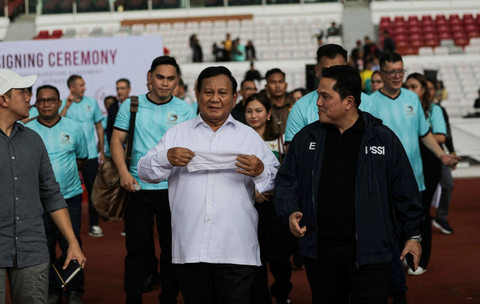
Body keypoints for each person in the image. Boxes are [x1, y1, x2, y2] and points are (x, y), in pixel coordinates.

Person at [274, 65, 423, 304]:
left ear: (349, 101)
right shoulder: (306, 138)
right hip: (319, 254)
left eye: (325, 96)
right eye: (318, 95)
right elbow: (286, 181)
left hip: (373, 254)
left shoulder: (383, 139)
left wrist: (413, 236)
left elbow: (405, 192)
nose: (318, 103)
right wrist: (289, 211)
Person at [137, 66, 279, 304]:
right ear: (197, 93)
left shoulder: (249, 136)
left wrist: (261, 171)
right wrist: (165, 158)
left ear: (234, 98)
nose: (215, 99)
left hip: (236, 248)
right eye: (208, 92)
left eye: (222, 93)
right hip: (190, 247)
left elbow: (275, 181)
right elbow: (144, 172)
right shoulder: (177, 134)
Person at [370, 53, 460, 303]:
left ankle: (399, 283)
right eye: (392, 72)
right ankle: (395, 288)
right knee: (387, 236)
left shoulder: (412, 98)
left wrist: (442, 156)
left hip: (415, 181)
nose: (398, 76)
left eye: (401, 71)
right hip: (384, 184)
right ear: (381, 74)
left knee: (412, 231)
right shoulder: (369, 103)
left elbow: (424, 133)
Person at [111, 56, 195, 304]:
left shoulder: (185, 110)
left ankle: (168, 298)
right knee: (136, 250)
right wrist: (124, 174)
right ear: (149, 77)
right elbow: (116, 141)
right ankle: (133, 300)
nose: (165, 83)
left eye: (171, 78)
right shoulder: (131, 104)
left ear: (177, 81)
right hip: (137, 188)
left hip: (174, 189)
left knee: (172, 251)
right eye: (160, 77)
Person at [0, 69, 86, 304]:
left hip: (32, 249)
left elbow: (51, 193)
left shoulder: (33, 139)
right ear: (3, 99)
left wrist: (73, 243)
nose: (30, 97)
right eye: (23, 92)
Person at [26, 85, 89, 304]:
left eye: (51, 100)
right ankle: (53, 288)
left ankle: (74, 289)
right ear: (35, 104)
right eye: (41, 100)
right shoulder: (27, 130)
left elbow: (81, 158)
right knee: (45, 246)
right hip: (38, 201)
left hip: (69, 197)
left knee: (71, 242)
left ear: (59, 103)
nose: (46, 104)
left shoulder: (74, 127)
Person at [245, 93, 293, 304]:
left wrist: (274, 189)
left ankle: (282, 293)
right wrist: (252, 190)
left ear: (268, 114)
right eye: (249, 111)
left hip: (276, 206)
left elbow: (289, 173)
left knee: (280, 258)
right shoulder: (240, 139)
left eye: (258, 111)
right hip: (249, 206)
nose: (253, 116)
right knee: (256, 258)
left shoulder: (280, 139)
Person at [285, 44, 378, 144]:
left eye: (339, 70)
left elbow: (375, 145)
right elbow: (293, 153)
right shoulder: (300, 107)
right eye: (326, 71)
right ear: (317, 70)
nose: (333, 76)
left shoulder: (368, 103)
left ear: (350, 102)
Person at [405, 73, 447, 276]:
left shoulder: (435, 109)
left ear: (423, 89)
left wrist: (421, 133)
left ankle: (422, 260)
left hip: (429, 163)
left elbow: (440, 135)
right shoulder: (404, 108)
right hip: (409, 162)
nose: (410, 90)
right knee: (403, 212)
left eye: (414, 86)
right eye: (408, 86)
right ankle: (408, 254)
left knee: (421, 213)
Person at [60, 75, 105, 238]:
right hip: (70, 156)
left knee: (93, 190)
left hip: (91, 154)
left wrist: (101, 150)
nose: (84, 87)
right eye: (81, 85)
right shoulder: (65, 104)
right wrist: (66, 105)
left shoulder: (91, 102)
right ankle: (67, 226)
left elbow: (99, 127)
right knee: (69, 191)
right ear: (72, 88)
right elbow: (59, 122)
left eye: (84, 84)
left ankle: (94, 224)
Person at [431, 79, 456, 235]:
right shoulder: (412, 108)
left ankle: (441, 217)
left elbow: (447, 134)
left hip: (439, 153)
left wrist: (452, 152)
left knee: (448, 184)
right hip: (417, 154)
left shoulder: (439, 109)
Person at [265, 69, 293, 135]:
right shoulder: (263, 106)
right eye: (273, 82)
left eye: (280, 82)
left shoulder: (296, 105)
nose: (277, 85)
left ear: (286, 85)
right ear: (266, 87)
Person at [106, 78, 131, 146]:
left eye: (122, 88)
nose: (119, 91)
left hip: (134, 148)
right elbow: (109, 129)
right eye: (118, 88)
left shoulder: (136, 105)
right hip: (117, 147)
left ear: (129, 89)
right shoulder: (112, 108)